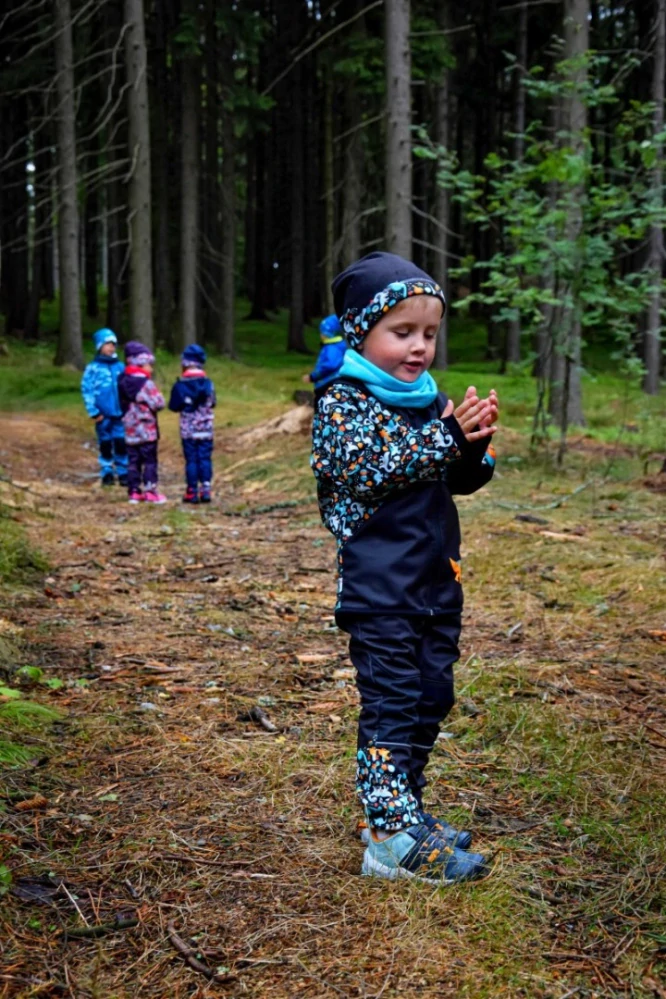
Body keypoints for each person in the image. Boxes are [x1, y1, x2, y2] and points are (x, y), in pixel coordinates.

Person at [310, 251, 499, 884]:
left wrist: (471, 448)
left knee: (431, 695)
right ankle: (389, 839)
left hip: (436, 582)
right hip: (380, 590)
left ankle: (402, 811)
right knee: (392, 704)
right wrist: (446, 438)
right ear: (361, 331)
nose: (418, 348)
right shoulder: (343, 403)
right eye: (402, 332)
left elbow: (453, 477)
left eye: (429, 334)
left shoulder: (428, 401)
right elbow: (374, 467)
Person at [118, 341, 166, 504]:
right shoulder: (146, 384)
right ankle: (150, 491)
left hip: (130, 430)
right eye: (148, 365)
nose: (151, 369)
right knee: (149, 461)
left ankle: (133, 491)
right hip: (147, 430)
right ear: (140, 364)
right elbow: (159, 403)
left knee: (133, 461)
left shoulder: (122, 381)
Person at [168, 344, 216, 504]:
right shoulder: (209, 384)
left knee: (192, 460)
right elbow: (213, 403)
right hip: (206, 429)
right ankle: (206, 489)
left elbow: (174, 406)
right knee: (205, 458)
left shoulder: (180, 385)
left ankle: (192, 490)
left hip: (188, 430)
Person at [80, 328, 128, 487]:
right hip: (103, 414)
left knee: (121, 441)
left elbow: (128, 387)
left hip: (120, 413)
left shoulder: (120, 367)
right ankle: (107, 470)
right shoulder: (93, 368)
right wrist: (93, 411)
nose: (111, 348)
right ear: (100, 346)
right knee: (105, 442)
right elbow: (87, 390)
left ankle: (123, 470)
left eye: (113, 344)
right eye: (107, 344)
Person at [301, 314, 347, 390]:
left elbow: (331, 365)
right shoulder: (334, 346)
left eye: (322, 332)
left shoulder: (332, 347)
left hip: (328, 383)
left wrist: (313, 376)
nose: (321, 335)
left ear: (329, 333)